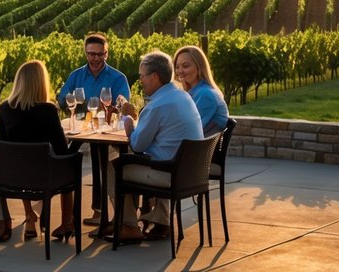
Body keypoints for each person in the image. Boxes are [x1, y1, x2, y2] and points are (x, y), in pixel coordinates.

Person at [108, 50, 203, 243]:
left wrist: (128, 123)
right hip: (191, 172)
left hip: (168, 175)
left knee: (113, 165)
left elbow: (137, 144)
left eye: (142, 76)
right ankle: (161, 221)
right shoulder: (182, 95)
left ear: (155, 76)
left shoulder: (157, 105)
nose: (140, 80)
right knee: (145, 158)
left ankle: (128, 226)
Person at [0, 60, 76, 242]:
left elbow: (4, 143)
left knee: (23, 161)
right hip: (44, 176)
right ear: (41, 82)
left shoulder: (5, 108)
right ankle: (66, 223)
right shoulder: (47, 110)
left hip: (14, 176)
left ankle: (30, 215)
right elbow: (61, 151)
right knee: (70, 166)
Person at [57, 32, 131, 225]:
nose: (96, 58)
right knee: (66, 156)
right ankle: (75, 216)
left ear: (106, 54)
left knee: (101, 156)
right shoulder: (76, 75)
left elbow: (122, 103)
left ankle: (101, 212)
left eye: (100, 54)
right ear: (85, 53)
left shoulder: (117, 77)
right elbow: (62, 97)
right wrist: (70, 100)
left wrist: (111, 107)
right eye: (91, 54)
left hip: (106, 128)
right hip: (81, 127)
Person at [173, 45, 228, 135]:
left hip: (193, 148)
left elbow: (188, 130)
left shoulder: (205, 94)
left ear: (199, 67)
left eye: (185, 66)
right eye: (177, 67)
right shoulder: (194, 92)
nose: (180, 71)